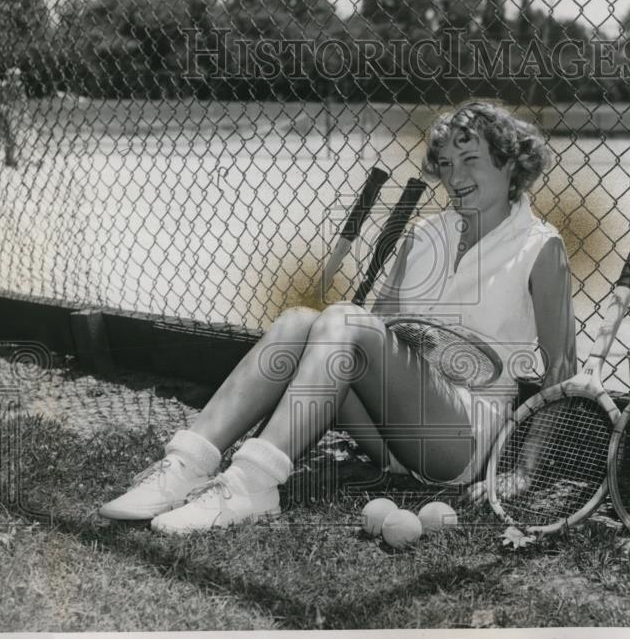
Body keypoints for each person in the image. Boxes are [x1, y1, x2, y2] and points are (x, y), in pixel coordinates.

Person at [98, 101, 577, 533]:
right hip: (388, 434)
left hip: (461, 438)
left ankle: (253, 483)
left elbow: (562, 368)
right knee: (300, 322)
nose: (455, 177)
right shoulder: (424, 235)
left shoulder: (541, 247)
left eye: (471, 160)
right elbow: (376, 334)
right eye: (446, 164)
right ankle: (188, 463)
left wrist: (526, 471)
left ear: (511, 163)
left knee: (343, 319)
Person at [0, 67, 26, 168]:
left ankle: (9, 159)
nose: (16, 78)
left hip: (10, 112)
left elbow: (22, 100)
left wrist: (22, 111)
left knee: (11, 136)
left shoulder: (19, 86)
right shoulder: (3, 85)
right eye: (14, 76)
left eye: (18, 76)